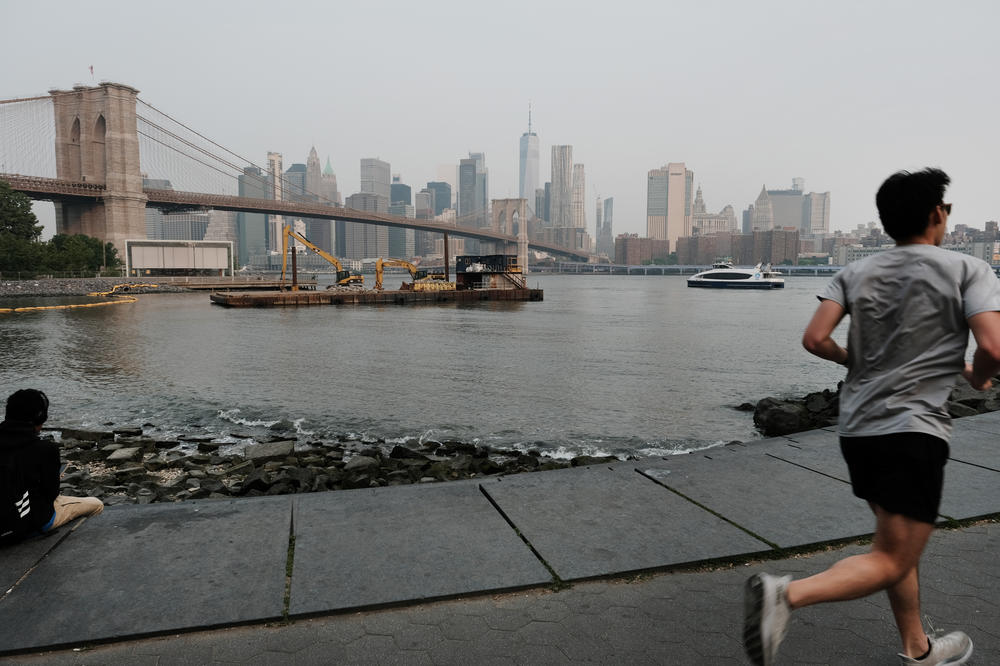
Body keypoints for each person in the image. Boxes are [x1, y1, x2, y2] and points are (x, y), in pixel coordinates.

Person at [743, 168, 1000, 666]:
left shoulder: (854, 273)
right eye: (946, 209)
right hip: (912, 431)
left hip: (858, 429)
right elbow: (992, 344)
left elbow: (815, 339)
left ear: (886, 223)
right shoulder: (968, 269)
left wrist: (853, 360)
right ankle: (784, 597)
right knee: (891, 557)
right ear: (936, 215)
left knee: (894, 542)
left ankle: (917, 647)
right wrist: (980, 376)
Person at [0, 389, 104, 546]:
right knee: (96, 504)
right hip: (30, 523)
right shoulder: (45, 449)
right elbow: (51, 494)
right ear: (40, 418)